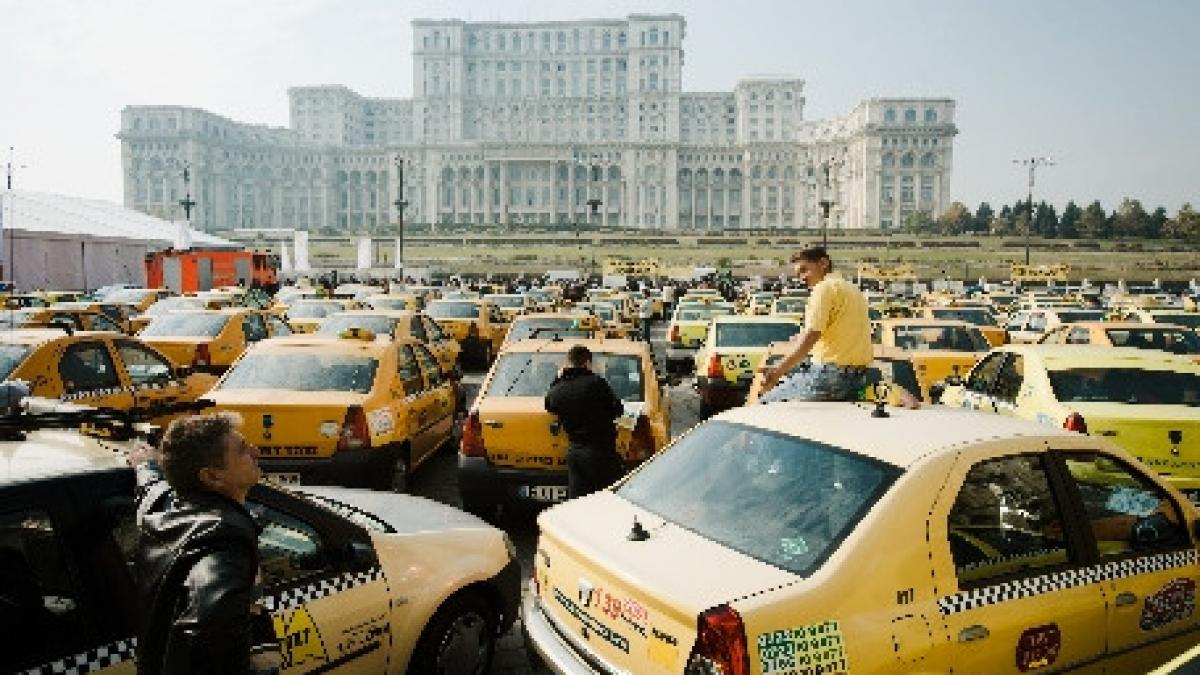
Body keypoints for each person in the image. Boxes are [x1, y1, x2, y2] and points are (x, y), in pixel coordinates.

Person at [132, 413, 281, 675]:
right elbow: (213, 621)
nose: (255, 450)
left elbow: (153, 491)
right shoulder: (223, 536)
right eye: (243, 450)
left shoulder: (168, 513)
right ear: (212, 476)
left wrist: (146, 467)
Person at [759, 246, 873, 402]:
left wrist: (777, 371)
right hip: (858, 379)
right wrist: (801, 337)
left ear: (823, 263)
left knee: (764, 404)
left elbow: (812, 335)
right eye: (799, 274)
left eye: (805, 270)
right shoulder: (852, 289)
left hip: (829, 375)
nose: (802, 278)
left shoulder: (823, 288)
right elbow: (837, 332)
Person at [545, 345, 625, 498]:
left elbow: (549, 405)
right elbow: (617, 410)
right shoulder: (596, 383)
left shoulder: (558, 389)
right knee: (606, 499)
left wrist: (558, 378)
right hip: (600, 453)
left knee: (577, 501)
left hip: (574, 453)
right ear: (588, 363)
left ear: (568, 363)